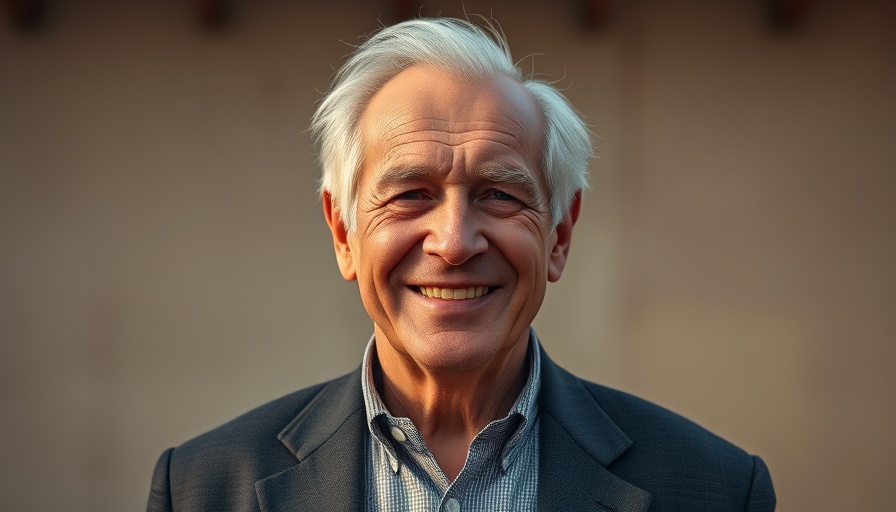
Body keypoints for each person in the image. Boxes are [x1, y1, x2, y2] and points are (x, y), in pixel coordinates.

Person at [147, 18, 775, 512]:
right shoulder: (206, 489)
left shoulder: (714, 492)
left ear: (559, 233)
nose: (453, 241)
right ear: (344, 232)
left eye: (500, 194)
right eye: (410, 194)